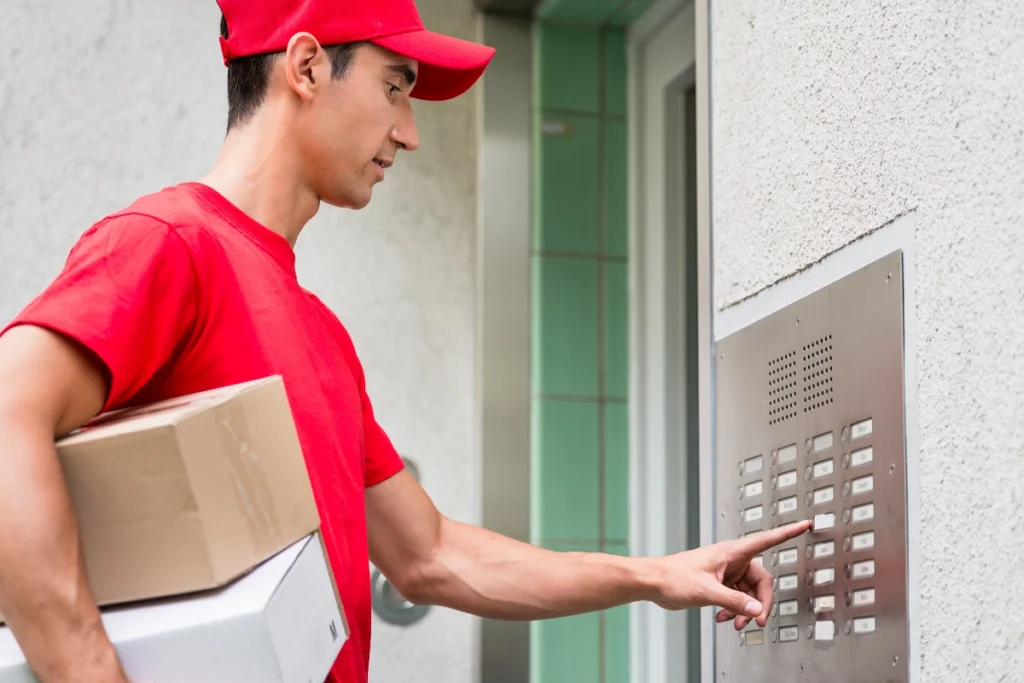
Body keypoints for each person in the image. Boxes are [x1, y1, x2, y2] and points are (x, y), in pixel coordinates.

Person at [0, 0, 812, 681]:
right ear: (308, 66)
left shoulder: (320, 334)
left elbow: (428, 554)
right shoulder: (170, 242)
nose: (411, 132)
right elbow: (8, 414)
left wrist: (657, 575)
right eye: (397, 86)